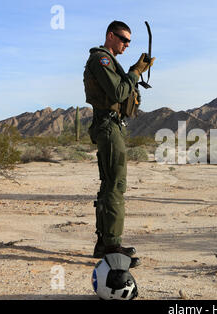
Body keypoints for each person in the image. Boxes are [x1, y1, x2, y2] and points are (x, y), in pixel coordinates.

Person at [83, 20, 155, 259]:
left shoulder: (110, 62)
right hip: (107, 125)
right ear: (110, 36)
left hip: (112, 125)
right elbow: (118, 92)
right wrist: (135, 72)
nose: (126, 44)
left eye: (129, 41)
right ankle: (112, 244)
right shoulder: (101, 59)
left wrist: (134, 69)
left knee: (109, 185)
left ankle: (104, 243)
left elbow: (121, 90)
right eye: (123, 39)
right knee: (115, 185)